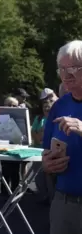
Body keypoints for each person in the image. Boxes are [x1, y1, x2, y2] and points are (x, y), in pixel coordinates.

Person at [42, 40, 82, 233]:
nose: (66, 74)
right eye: (61, 69)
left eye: (73, 68)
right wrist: (47, 164)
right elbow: (46, 151)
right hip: (63, 202)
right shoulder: (59, 106)